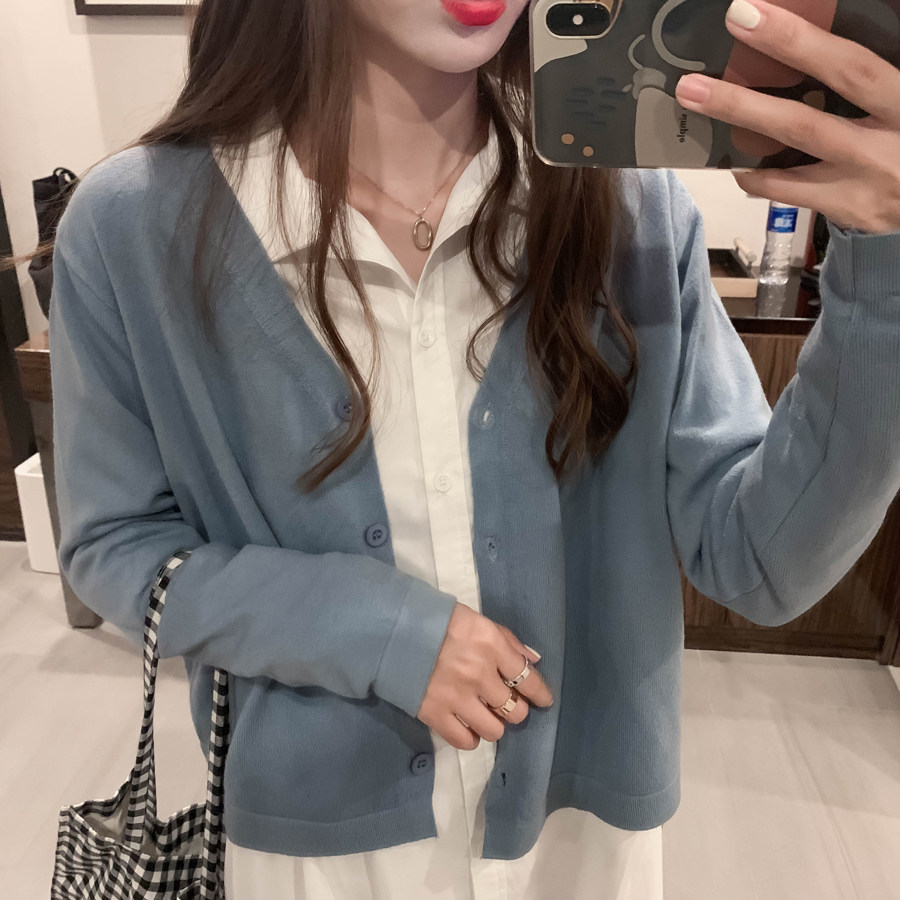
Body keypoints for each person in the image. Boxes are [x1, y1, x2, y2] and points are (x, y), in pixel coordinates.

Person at [9, 0, 898, 897]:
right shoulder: (137, 227)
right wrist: (374, 630)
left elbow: (761, 564)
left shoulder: (634, 207)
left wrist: (887, 271)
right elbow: (114, 545)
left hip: (576, 843)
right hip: (319, 856)